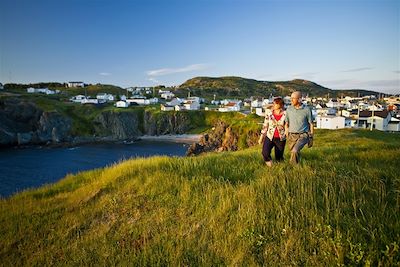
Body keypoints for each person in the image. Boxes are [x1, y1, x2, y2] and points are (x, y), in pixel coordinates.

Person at [284, 91, 314, 164]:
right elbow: (286, 122)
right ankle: (298, 165)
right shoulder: (289, 109)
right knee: (294, 152)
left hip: (303, 135)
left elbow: (311, 124)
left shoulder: (307, 109)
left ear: (299, 99)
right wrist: (286, 131)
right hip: (291, 135)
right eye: (291, 98)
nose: (291, 100)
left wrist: (311, 138)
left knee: (295, 151)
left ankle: (291, 167)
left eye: (293, 98)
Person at [258, 97, 286, 167]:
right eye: (273, 103)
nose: (273, 105)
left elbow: (288, 126)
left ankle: (281, 168)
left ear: (281, 105)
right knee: (265, 153)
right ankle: (270, 167)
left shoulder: (286, 114)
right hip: (270, 136)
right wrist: (261, 137)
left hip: (281, 138)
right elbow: (265, 125)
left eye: (275, 104)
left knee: (279, 157)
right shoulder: (269, 113)